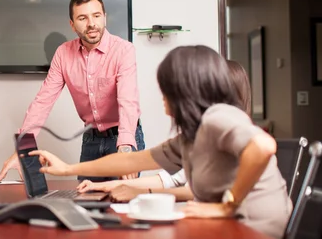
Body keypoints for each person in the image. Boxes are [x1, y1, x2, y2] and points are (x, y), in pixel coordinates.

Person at [30, 46, 291, 239]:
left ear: (183, 90)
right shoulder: (193, 134)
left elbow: (263, 146)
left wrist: (228, 205)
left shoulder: (218, 116)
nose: (162, 97)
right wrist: (66, 169)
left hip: (256, 236)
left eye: (165, 88)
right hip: (235, 230)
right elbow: (131, 160)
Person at [0, 0, 144, 183]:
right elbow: (43, 101)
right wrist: (23, 149)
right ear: (72, 25)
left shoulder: (124, 50)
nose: (91, 24)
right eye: (82, 18)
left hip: (124, 138)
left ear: (105, 17)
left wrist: (125, 148)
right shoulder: (63, 54)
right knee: (86, 203)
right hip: (91, 140)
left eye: (96, 16)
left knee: (123, 204)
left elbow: (127, 101)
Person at [77, 60, 252, 203]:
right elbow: (169, 179)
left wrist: (142, 193)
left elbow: (197, 192)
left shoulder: (235, 132)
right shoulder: (199, 136)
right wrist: (104, 186)